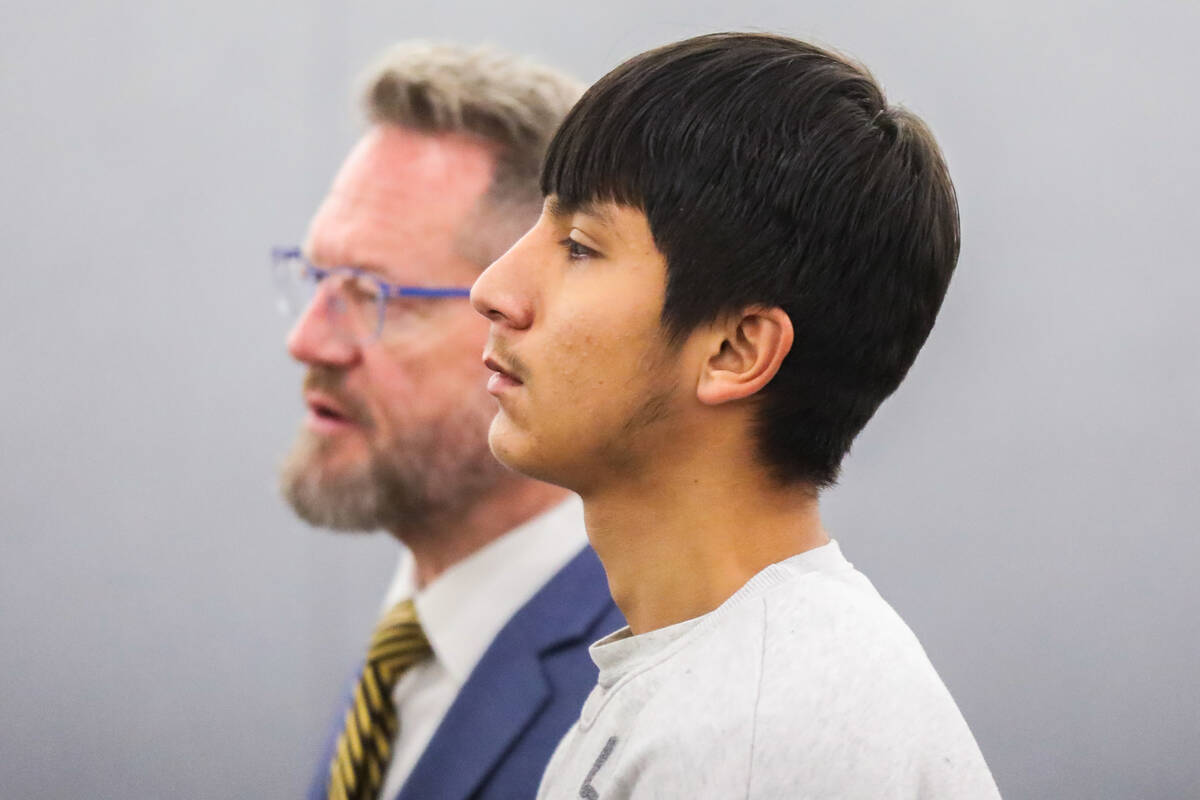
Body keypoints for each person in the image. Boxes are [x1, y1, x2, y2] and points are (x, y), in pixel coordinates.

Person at [471, 32, 1002, 798]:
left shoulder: (761, 738)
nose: (492, 288)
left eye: (580, 246)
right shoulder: (718, 679)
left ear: (734, 350)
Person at [275, 42, 623, 800]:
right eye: (316, 278)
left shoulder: (626, 709)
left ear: (539, 322)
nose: (307, 338)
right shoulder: (409, 644)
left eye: (373, 295)